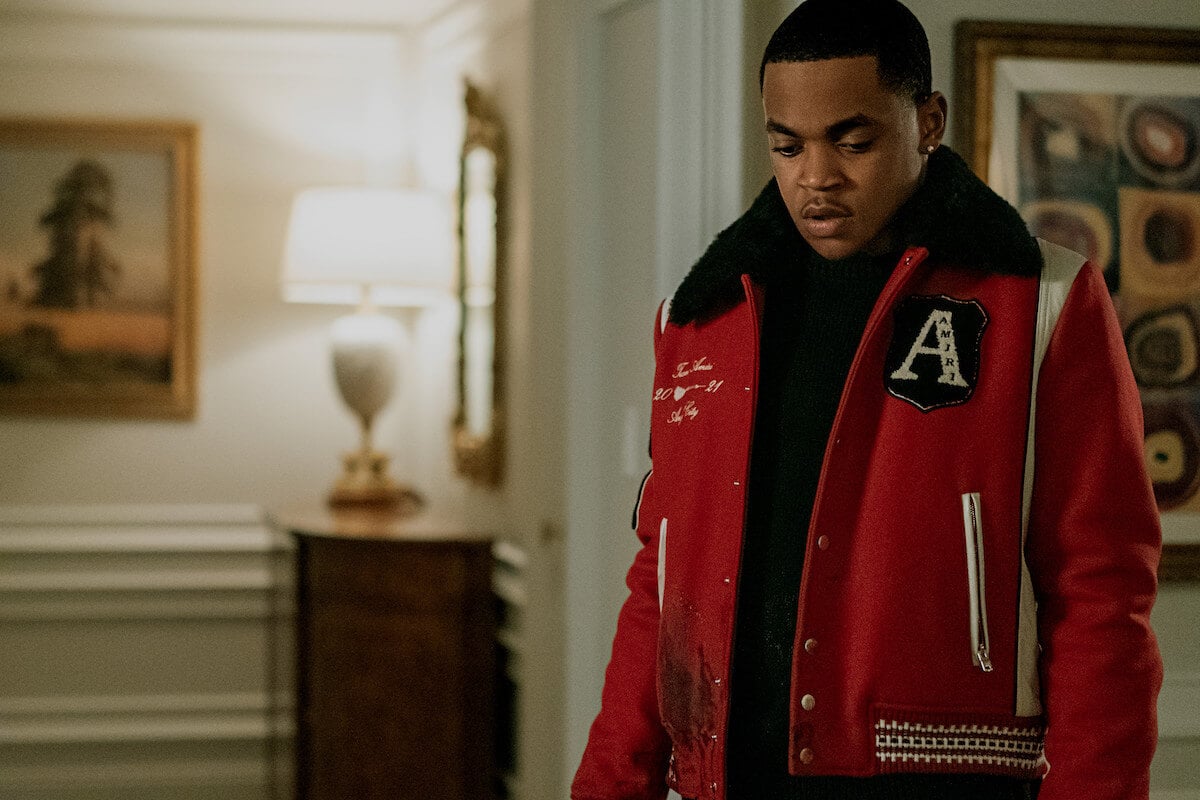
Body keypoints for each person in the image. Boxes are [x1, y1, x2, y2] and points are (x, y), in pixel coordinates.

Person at [570, 1, 1164, 799]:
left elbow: (1101, 588)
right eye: (787, 145)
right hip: (724, 778)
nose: (816, 177)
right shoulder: (701, 318)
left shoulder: (1043, 303)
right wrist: (609, 785)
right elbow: (662, 579)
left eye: (853, 141)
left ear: (927, 122)